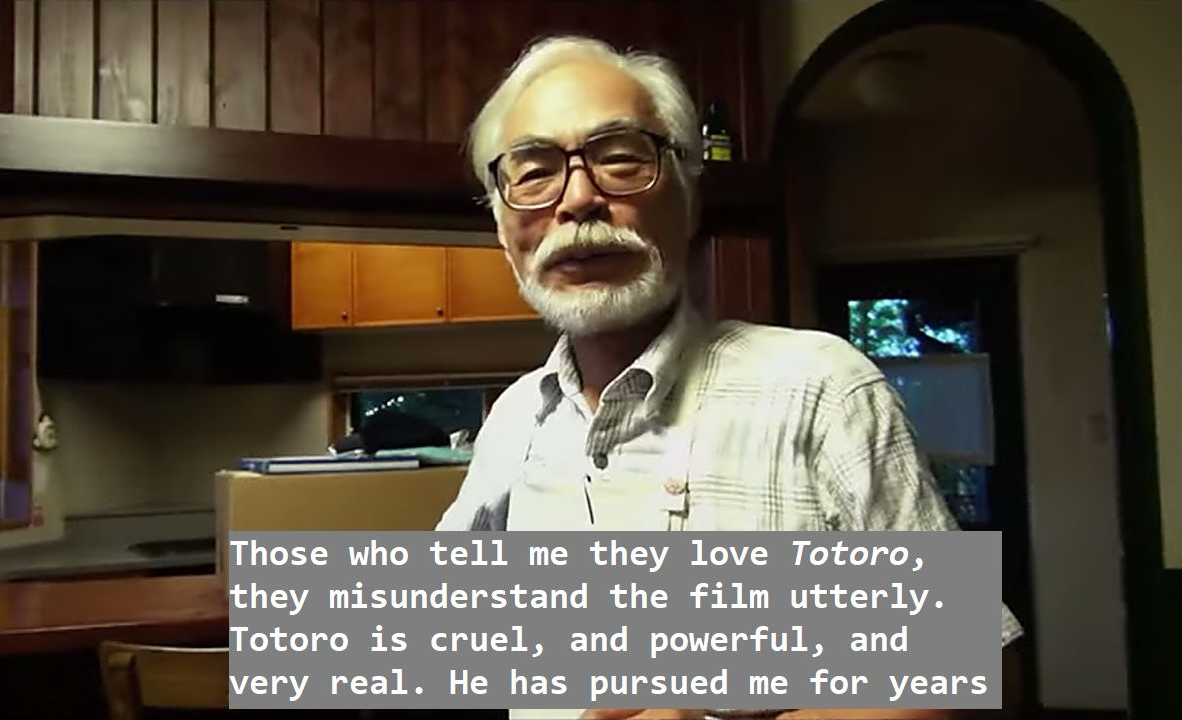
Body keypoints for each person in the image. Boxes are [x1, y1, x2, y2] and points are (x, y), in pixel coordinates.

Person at [435, 35, 1023, 720]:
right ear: (506, 230)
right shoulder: (512, 421)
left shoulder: (819, 388)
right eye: (533, 172)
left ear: (687, 202)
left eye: (620, 160)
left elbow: (974, 673)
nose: (579, 199)